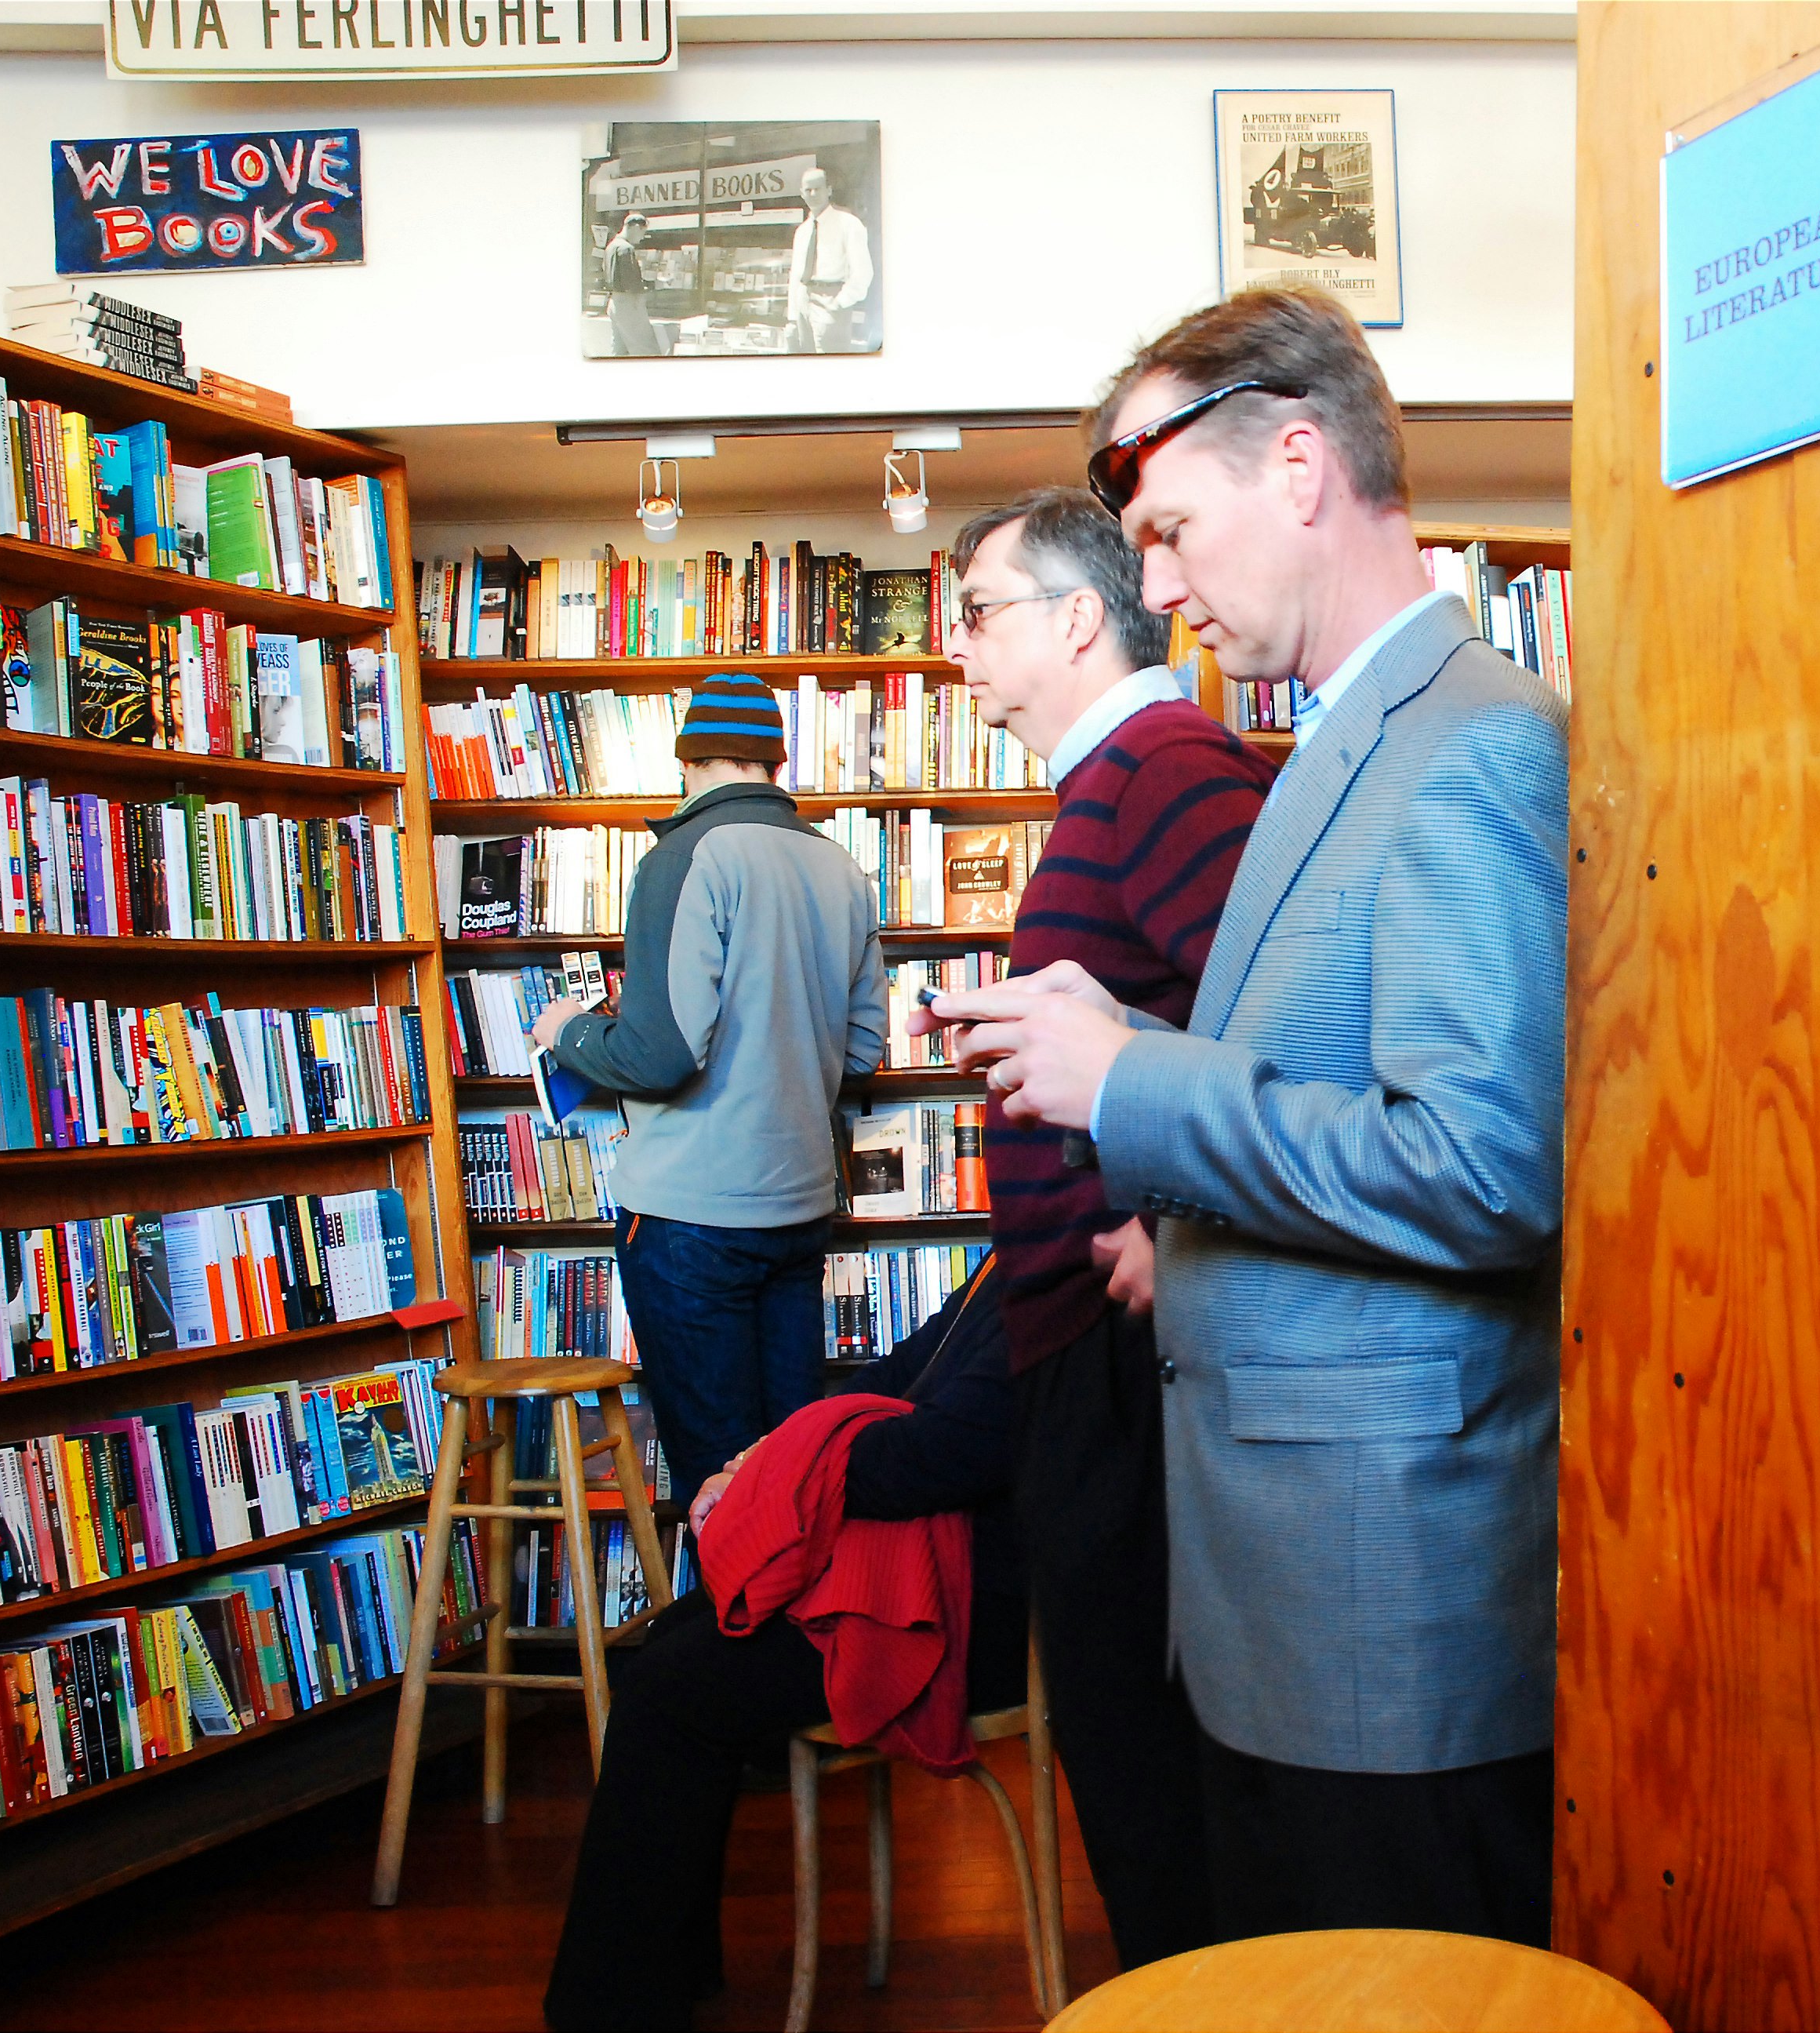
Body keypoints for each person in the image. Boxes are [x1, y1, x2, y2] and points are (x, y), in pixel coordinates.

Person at [918, 287, 1568, 1946]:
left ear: (1298, 465)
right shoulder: (1337, 739)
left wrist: (1131, 1081)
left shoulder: (1470, 742)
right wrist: (1119, 1033)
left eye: (1166, 529)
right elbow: (1317, 1066)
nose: (1152, 586)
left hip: (1386, 1608)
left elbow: (1486, 1168)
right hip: (1293, 1579)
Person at [939, 485, 1275, 1968]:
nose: (957, 646)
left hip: (1130, 1349)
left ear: (1077, 618)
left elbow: (1287, 1031)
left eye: (978, 610)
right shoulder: (1114, 782)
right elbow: (1177, 1013)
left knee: (1145, 1749)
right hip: (1084, 1341)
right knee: (1123, 1743)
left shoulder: (1170, 768)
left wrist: (1173, 1206)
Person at [542, 1264, 1024, 2033]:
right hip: (928, 1573)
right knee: (674, 1644)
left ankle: (613, 2013)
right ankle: (661, 1977)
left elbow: (942, 1454)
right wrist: (769, 1455)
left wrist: (778, 1476)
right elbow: (900, 1372)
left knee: (671, 1690)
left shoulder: (1069, 1271)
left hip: (972, 1616)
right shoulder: (1021, 1252)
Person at [534, 676, 886, 1502]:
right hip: (798, 1211)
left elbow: (660, 1058)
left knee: (718, 1494)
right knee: (794, 1483)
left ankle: (727, 1635)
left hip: (691, 1218)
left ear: (687, 759)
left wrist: (571, 1034)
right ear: (776, 758)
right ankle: (805, 1637)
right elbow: (862, 1051)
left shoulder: (681, 857)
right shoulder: (840, 867)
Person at [783, 166, 872, 353]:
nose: (813, 193)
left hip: (831, 302)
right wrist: (793, 316)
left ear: (829, 190)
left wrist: (839, 303)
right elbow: (796, 275)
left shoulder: (849, 224)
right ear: (802, 194)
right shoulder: (803, 231)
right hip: (803, 304)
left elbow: (863, 272)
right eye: (808, 190)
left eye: (818, 188)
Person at [601, 213, 662, 356]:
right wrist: (647, 289)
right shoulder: (626, 248)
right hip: (629, 303)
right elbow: (631, 282)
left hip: (615, 302)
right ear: (635, 227)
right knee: (646, 350)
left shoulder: (611, 246)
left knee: (619, 350)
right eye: (643, 232)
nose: (642, 238)